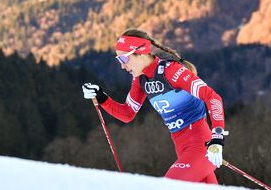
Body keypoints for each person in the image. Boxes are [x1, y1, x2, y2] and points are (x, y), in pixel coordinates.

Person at [82, 28, 227, 184]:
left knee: (166, 186)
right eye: (119, 60)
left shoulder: (172, 71)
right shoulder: (141, 79)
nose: (123, 66)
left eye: (124, 59)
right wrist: (101, 97)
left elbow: (213, 98)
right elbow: (127, 113)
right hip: (182, 147)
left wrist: (217, 137)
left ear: (141, 53)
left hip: (201, 146)